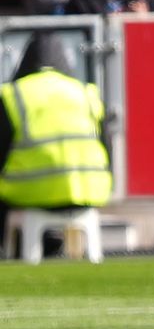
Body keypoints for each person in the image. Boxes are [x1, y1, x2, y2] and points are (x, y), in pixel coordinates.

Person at [0, 33, 112, 224]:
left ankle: (13, 247)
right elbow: (107, 147)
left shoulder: (12, 94)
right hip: (91, 191)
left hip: (29, 193)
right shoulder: (86, 91)